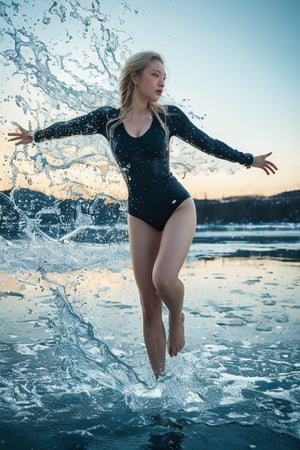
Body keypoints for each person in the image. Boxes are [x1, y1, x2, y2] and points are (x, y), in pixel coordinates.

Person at [8, 51, 278, 378]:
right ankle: (159, 385)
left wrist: (248, 158)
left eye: (164, 77)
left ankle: (177, 316)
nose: (162, 82)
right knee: (148, 304)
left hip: (177, 207)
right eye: (155, 75)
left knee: (163, 279)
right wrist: (35, 136)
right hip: (139, 215)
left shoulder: (169, 118)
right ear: (135, 77)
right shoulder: (107, 120)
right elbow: (70, 127)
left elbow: (209, 144)